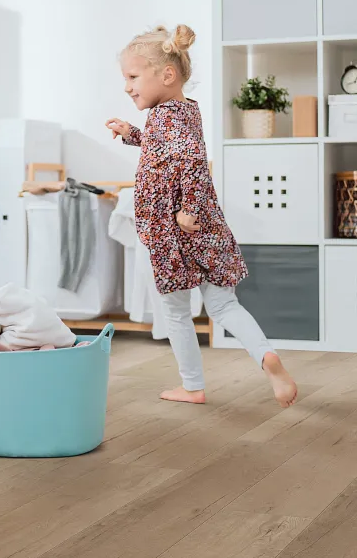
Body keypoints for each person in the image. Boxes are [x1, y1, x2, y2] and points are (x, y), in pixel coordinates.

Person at [106, 25, 297, 408]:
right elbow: (168, 149)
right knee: (225, 305)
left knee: (175, 311)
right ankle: (265, 356)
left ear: (167, 75)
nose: (127, 86)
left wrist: (187, 209)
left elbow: (191, 159)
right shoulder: (182, 111)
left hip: (174, 228)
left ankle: (192, 386)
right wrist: (132, 135)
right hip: (198, 227)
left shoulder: (166, 116)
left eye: (132, 76)